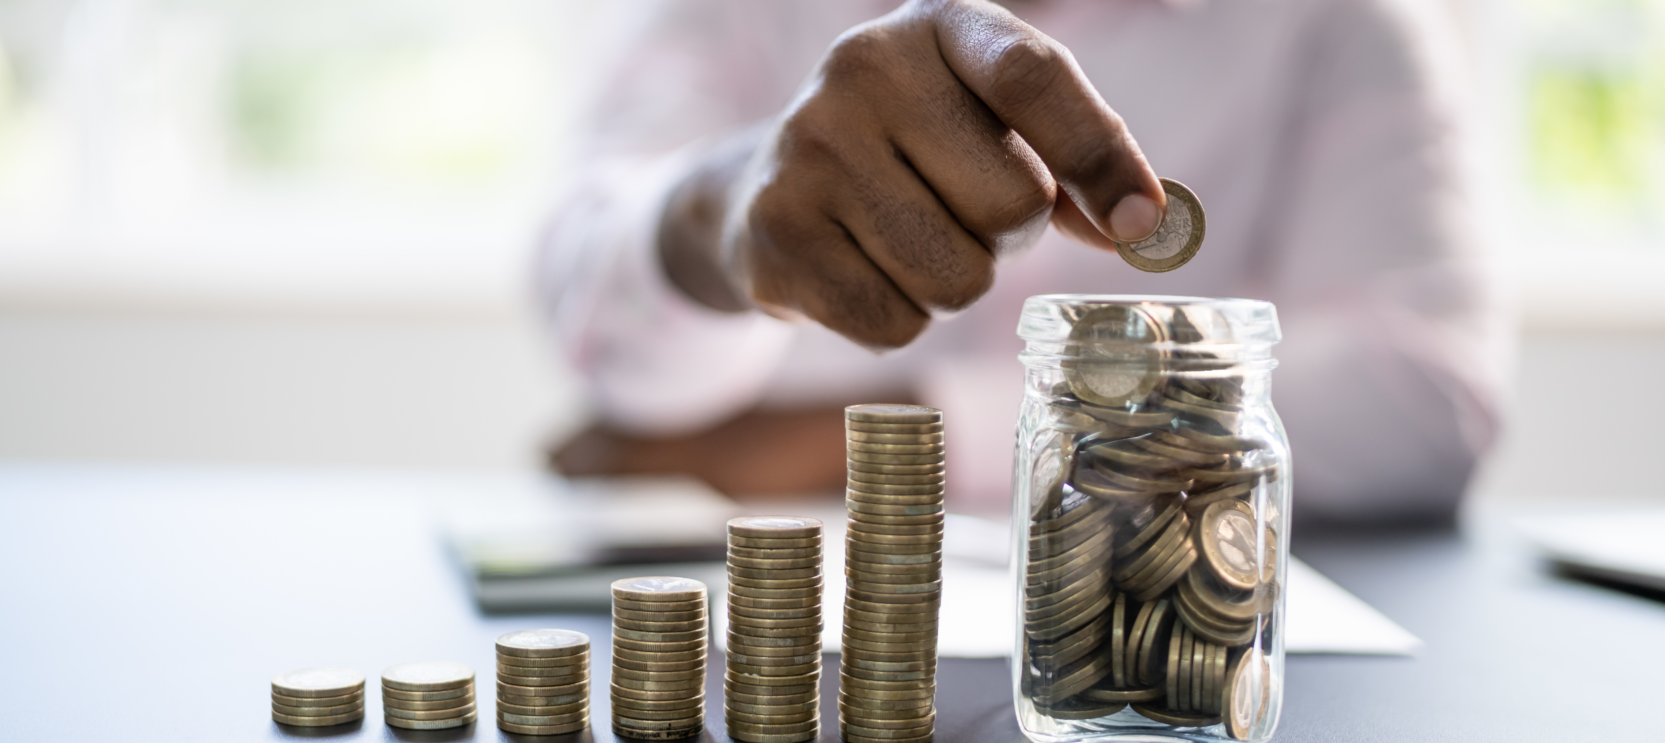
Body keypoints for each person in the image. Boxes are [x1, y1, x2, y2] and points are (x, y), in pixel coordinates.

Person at [537, 0, 1509, 523]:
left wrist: (873, 438)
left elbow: (1421, 396)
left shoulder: (1340, 22)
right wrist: (718, 218)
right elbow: (587, 289)